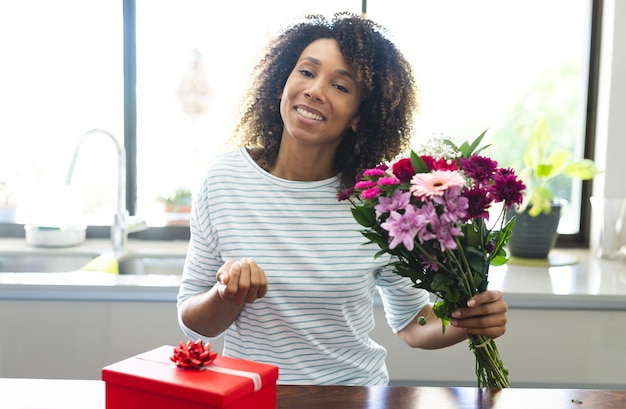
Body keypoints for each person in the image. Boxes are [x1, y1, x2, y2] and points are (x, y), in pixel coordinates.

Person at [177, 12, 508, 386]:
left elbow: (414, 325)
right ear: (280, 84)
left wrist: (469, 320)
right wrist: (227, 294)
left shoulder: (378, 204)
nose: (316, 90)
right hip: (252, 397)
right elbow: (194, 319)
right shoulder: (223, 180)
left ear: (358, 117)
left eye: (341, 86)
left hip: (352, 400)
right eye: (306, 72)